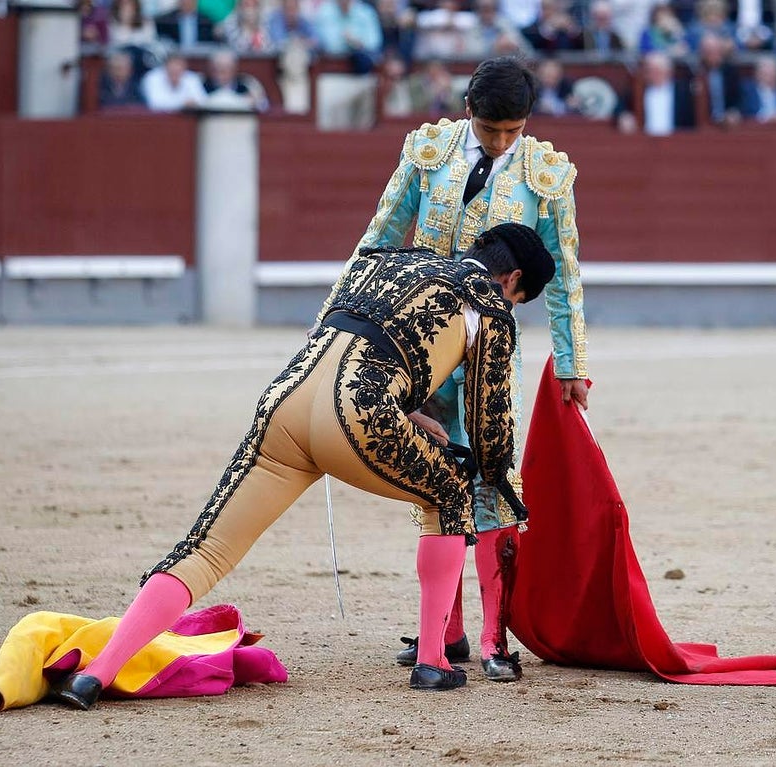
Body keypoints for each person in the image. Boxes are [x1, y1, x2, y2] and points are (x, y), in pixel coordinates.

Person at [53, 224, 558, 710]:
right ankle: (432, 662)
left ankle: (96, 673)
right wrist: (497, 479)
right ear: (512, 280)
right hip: (358, 414)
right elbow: (488, 420)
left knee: (206, 549)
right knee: (449, 493)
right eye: (518, 298)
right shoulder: (489, 304)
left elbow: (355, 337)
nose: (511, 304)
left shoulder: (390, 261)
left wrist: (405, 411)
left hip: (286, 402)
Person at [319, 56, 589, 683]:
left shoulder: (546, 174)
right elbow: (378, 239)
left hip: (491, 349)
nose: (500, 142)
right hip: (422, 344)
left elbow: (563, 276)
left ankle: (495, 636)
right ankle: (447, 629)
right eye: (491, 130)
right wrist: (336, 321)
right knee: (433, 480)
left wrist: (573, 363)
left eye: (513, 131)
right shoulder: (429, 152)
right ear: (469, 111)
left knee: (493, 481)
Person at [140, 52, 208, 111]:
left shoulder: (192, 78)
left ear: (184, 67)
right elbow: (155, 104)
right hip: (158, 118)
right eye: (173, 66)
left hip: (187, 118)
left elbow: (202, 102)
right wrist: (183, 104)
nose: (176, 69)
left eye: (179, 66)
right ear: (165, 66)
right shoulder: (152, 78)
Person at [740, 55, 776, 123]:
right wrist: (765, 118)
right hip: (755, 127)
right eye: (766, 74)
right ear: (757, 74)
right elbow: (744, 115)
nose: (770, 78)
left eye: (773, 74)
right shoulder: (747, 92)